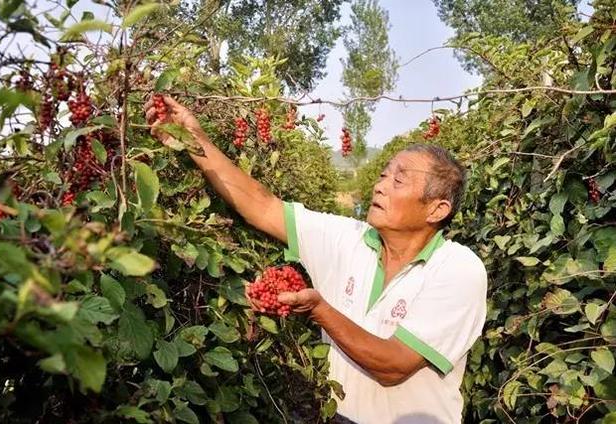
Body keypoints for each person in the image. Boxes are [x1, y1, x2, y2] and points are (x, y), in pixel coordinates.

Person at [145, 96, 487, 424]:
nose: (379, 187)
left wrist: (318, 310)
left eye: (398, 180)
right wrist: (193, 139)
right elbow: (262, 207)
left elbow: (392, 365)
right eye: (383, 176)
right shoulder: (347, 238)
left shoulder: (458, 269)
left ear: (437, 209)